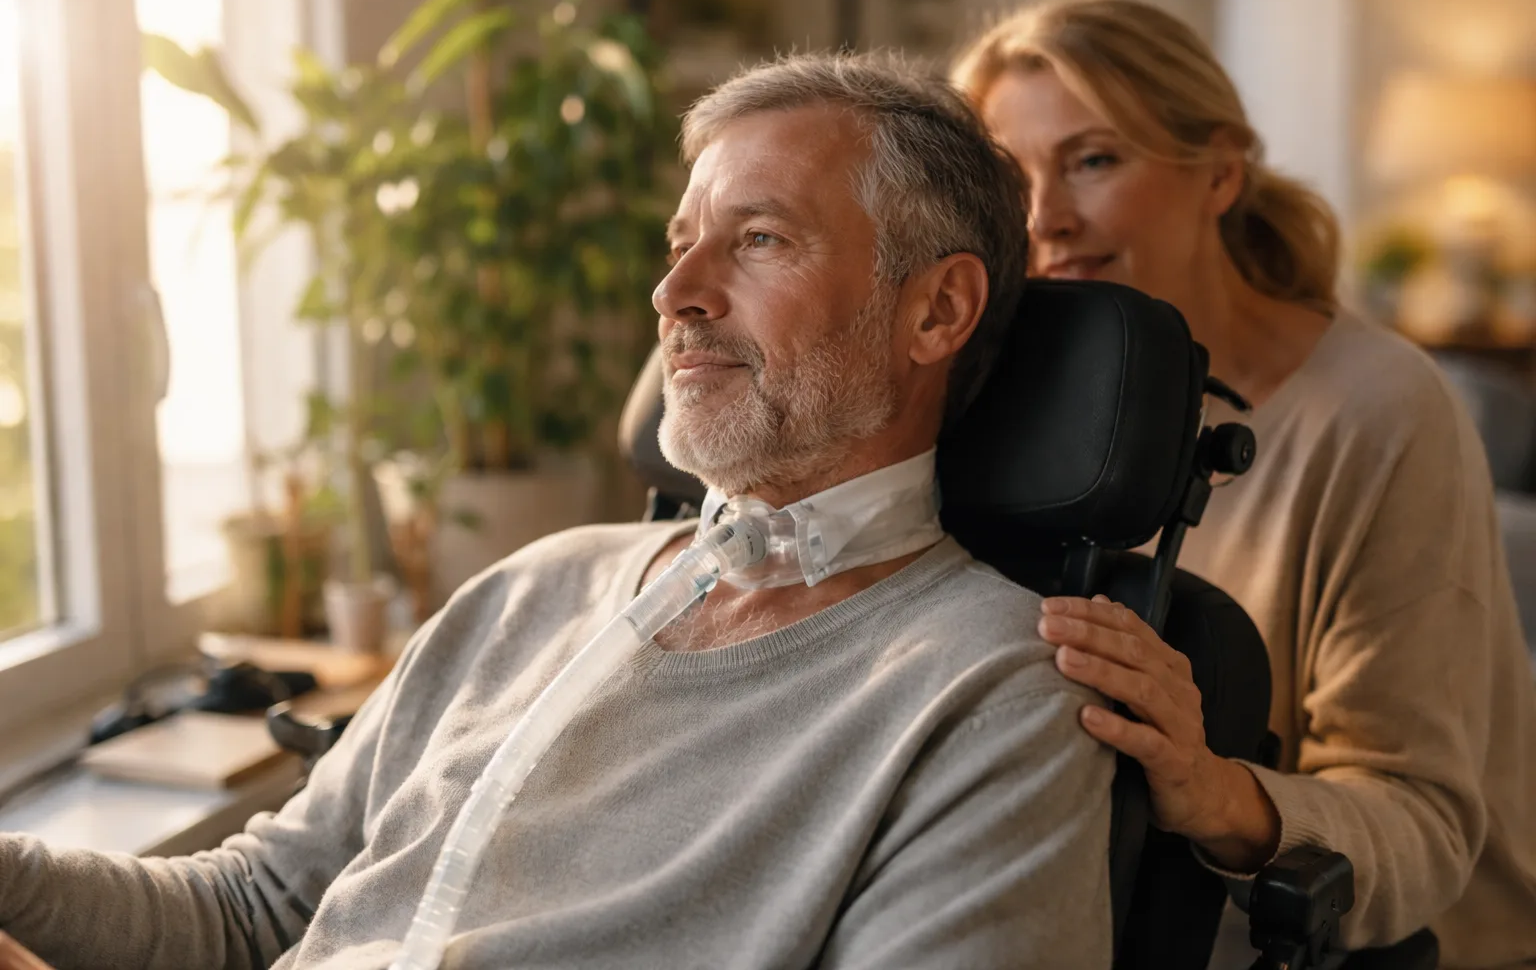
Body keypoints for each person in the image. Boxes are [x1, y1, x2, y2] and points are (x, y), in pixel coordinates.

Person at [0, 53, 1115, 970]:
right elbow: (254, 909)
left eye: (760, 239)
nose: (674, 294)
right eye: (681, 243)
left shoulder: (991, 695)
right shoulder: (534, 586)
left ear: (937, 310)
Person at [954, 0, 1536, 967]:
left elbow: (1424, 824)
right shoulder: (1001, 400)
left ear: (1220, 172)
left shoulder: (1380, 412)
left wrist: (1211, 789)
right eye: (1011, 178)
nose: (1045, 218)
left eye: (1094, 161)